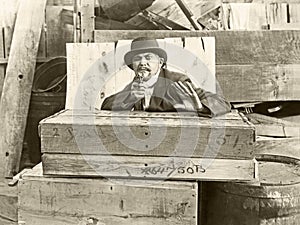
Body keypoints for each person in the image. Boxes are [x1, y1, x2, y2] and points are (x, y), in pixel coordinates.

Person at [101, 37, 231, 117]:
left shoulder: (177, 81)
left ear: (160, 62)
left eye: (148, 58)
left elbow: (222, 102)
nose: (142, 63)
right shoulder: (137, 84)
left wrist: (200, 107)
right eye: (137, 59)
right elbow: (106, 104)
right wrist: (130, 97)